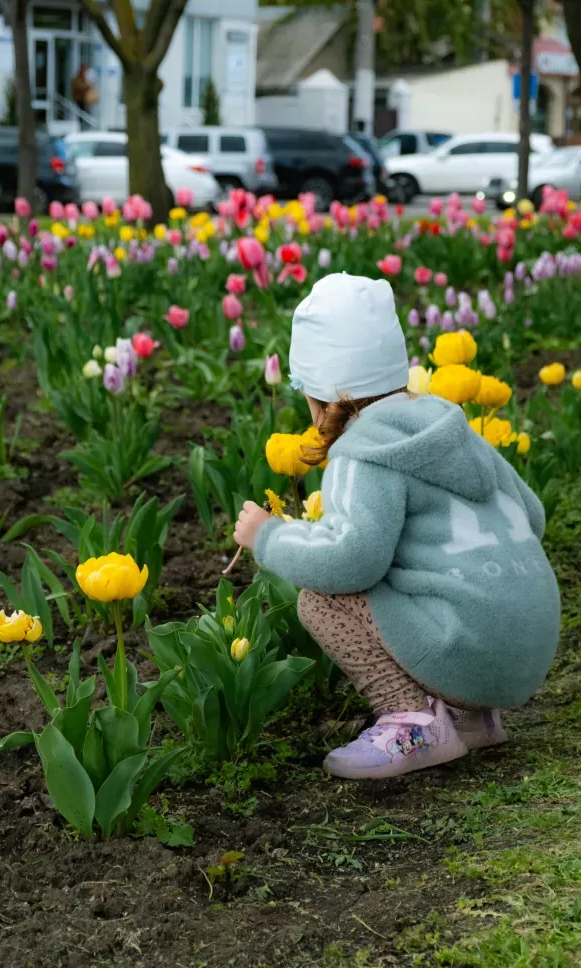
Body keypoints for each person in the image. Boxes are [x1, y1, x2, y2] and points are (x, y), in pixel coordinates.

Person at [231, 273, 561, 780]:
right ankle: (472, 719)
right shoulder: (448, 424)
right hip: (528, 651)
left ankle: (412, 723)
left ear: (319, 400)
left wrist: (268, 536)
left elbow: (349, 560)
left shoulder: (364, 452)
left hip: (468, 653)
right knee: (413, 572)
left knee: (321, 598)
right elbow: (532, 517)